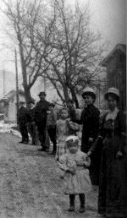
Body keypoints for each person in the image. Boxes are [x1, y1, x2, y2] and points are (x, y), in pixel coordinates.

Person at [88, 87, 127, 217]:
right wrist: (91, 150)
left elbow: (124, 134)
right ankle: (105, 210)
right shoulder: (104, 116)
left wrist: (121, 149)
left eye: (113, 100)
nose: (110, 103)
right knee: (105, 179)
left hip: (117, 152)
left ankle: (116, 212)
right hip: (106, 152)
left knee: (116, 179)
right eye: (109, 100)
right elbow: (100, 136)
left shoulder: (121, 115)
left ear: (117, 101)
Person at [57, 136, 92, 213]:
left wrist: (83, 163)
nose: (72, 148)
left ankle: (82, 205)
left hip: (81, 175)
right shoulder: (66, 156)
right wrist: (68, 169)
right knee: (71, 190)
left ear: (77, 146)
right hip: (71, 175)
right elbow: (60, 163)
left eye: (74, 146)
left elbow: (88, 163)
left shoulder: (83, 155)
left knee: (81, 191)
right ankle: (71, 205)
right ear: (68, 147)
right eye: (70, 147)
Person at [80, 87, 101, 185]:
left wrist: (92, 136)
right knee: (85, 154)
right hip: (85, 135)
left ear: (93, 99)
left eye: (88, 98)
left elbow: (96, 125)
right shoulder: (84, 110)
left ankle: (94, 178)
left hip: (92, 136)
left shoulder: (95, 110)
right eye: (85, 98)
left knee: (92, 155)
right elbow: (82, 122)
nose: (86, 100)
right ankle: (86, 176)